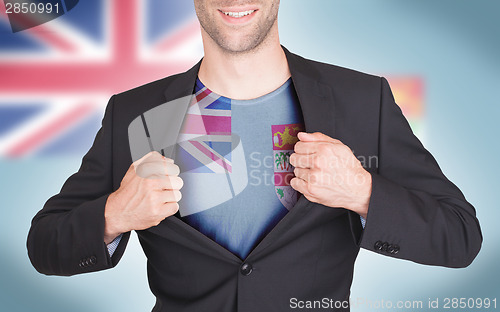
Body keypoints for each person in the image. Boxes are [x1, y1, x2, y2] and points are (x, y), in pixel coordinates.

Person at [27, 1, 482, 311]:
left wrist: (363, 192)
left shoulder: (363, 100)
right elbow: (45, 245)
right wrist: (114, 214)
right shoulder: (135, 112)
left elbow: (460, 236)